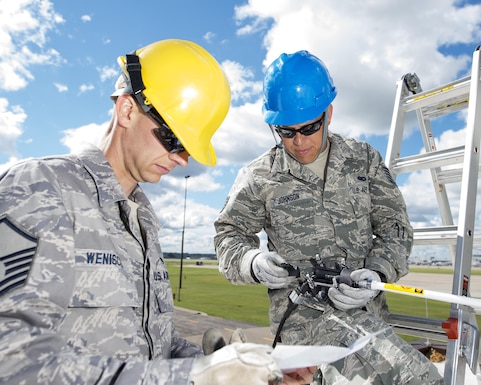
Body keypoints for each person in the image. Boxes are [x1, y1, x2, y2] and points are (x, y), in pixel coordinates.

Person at [0, 39, 313, 385]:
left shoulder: (142, 221)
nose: (181, 160)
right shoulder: (41, 189)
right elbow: (13, 365)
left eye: (189, 150)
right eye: (173, 139)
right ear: (127, 110)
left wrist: (239, 369)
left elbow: (154, 346)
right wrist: (195, 376)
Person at [214, 50, 444, 384]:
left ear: (329, 113)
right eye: (286, 131)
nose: (299, 141)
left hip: (366, 327)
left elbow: (396, 230)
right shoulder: (259, 176)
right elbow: (228, 235)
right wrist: (251, 261)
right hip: (300, 339)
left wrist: (377, 272)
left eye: (309, 127)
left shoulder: (362, 161)